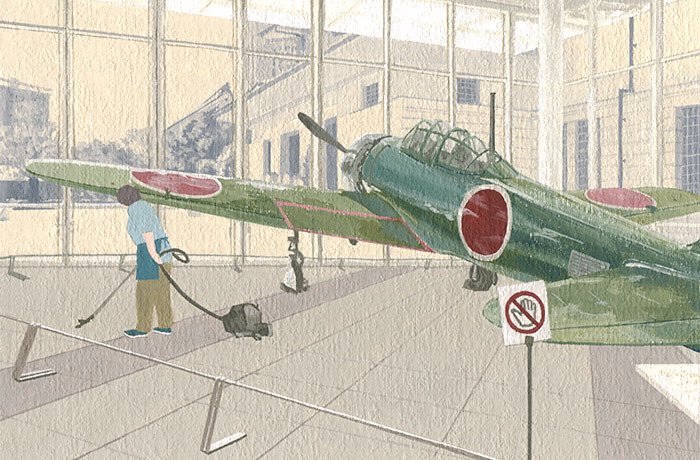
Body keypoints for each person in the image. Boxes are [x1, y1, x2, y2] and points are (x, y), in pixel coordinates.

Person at [116, 185, 174, 338]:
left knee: (144, 292)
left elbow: (148, 232)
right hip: (155, 250)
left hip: (152, 250)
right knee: (161, 291)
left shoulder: (137, 208)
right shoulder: (143, 206)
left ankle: (143, 327)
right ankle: (165, 324)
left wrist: (153, 255)